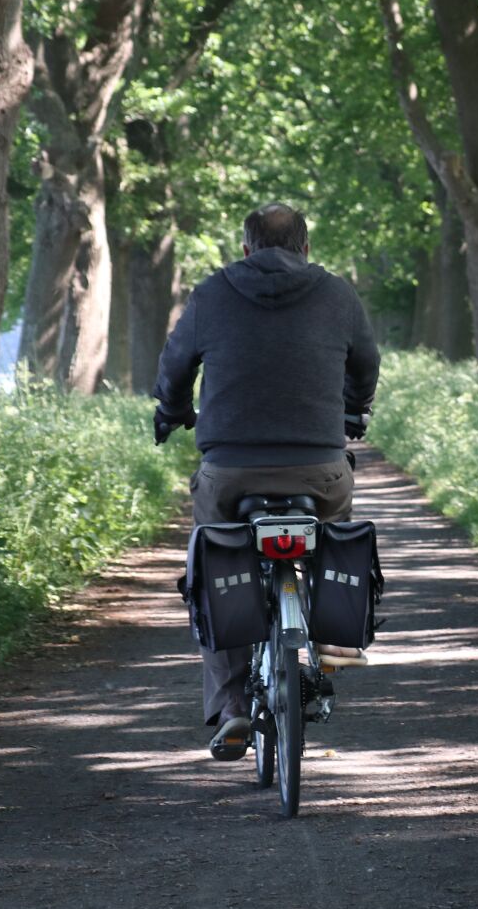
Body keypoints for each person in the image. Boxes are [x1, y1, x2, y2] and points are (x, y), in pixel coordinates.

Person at [152, 203, 380, 761]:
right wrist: (353, 413)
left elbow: (176, 365)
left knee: (214, 562)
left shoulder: (211, 294)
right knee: (332, 532)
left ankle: (231, 708)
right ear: (305, 247)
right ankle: (331, 640)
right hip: (318, 467)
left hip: (231, 469)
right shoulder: (338, 294)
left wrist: (171, 410)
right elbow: (365, 363)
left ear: (246, 248)